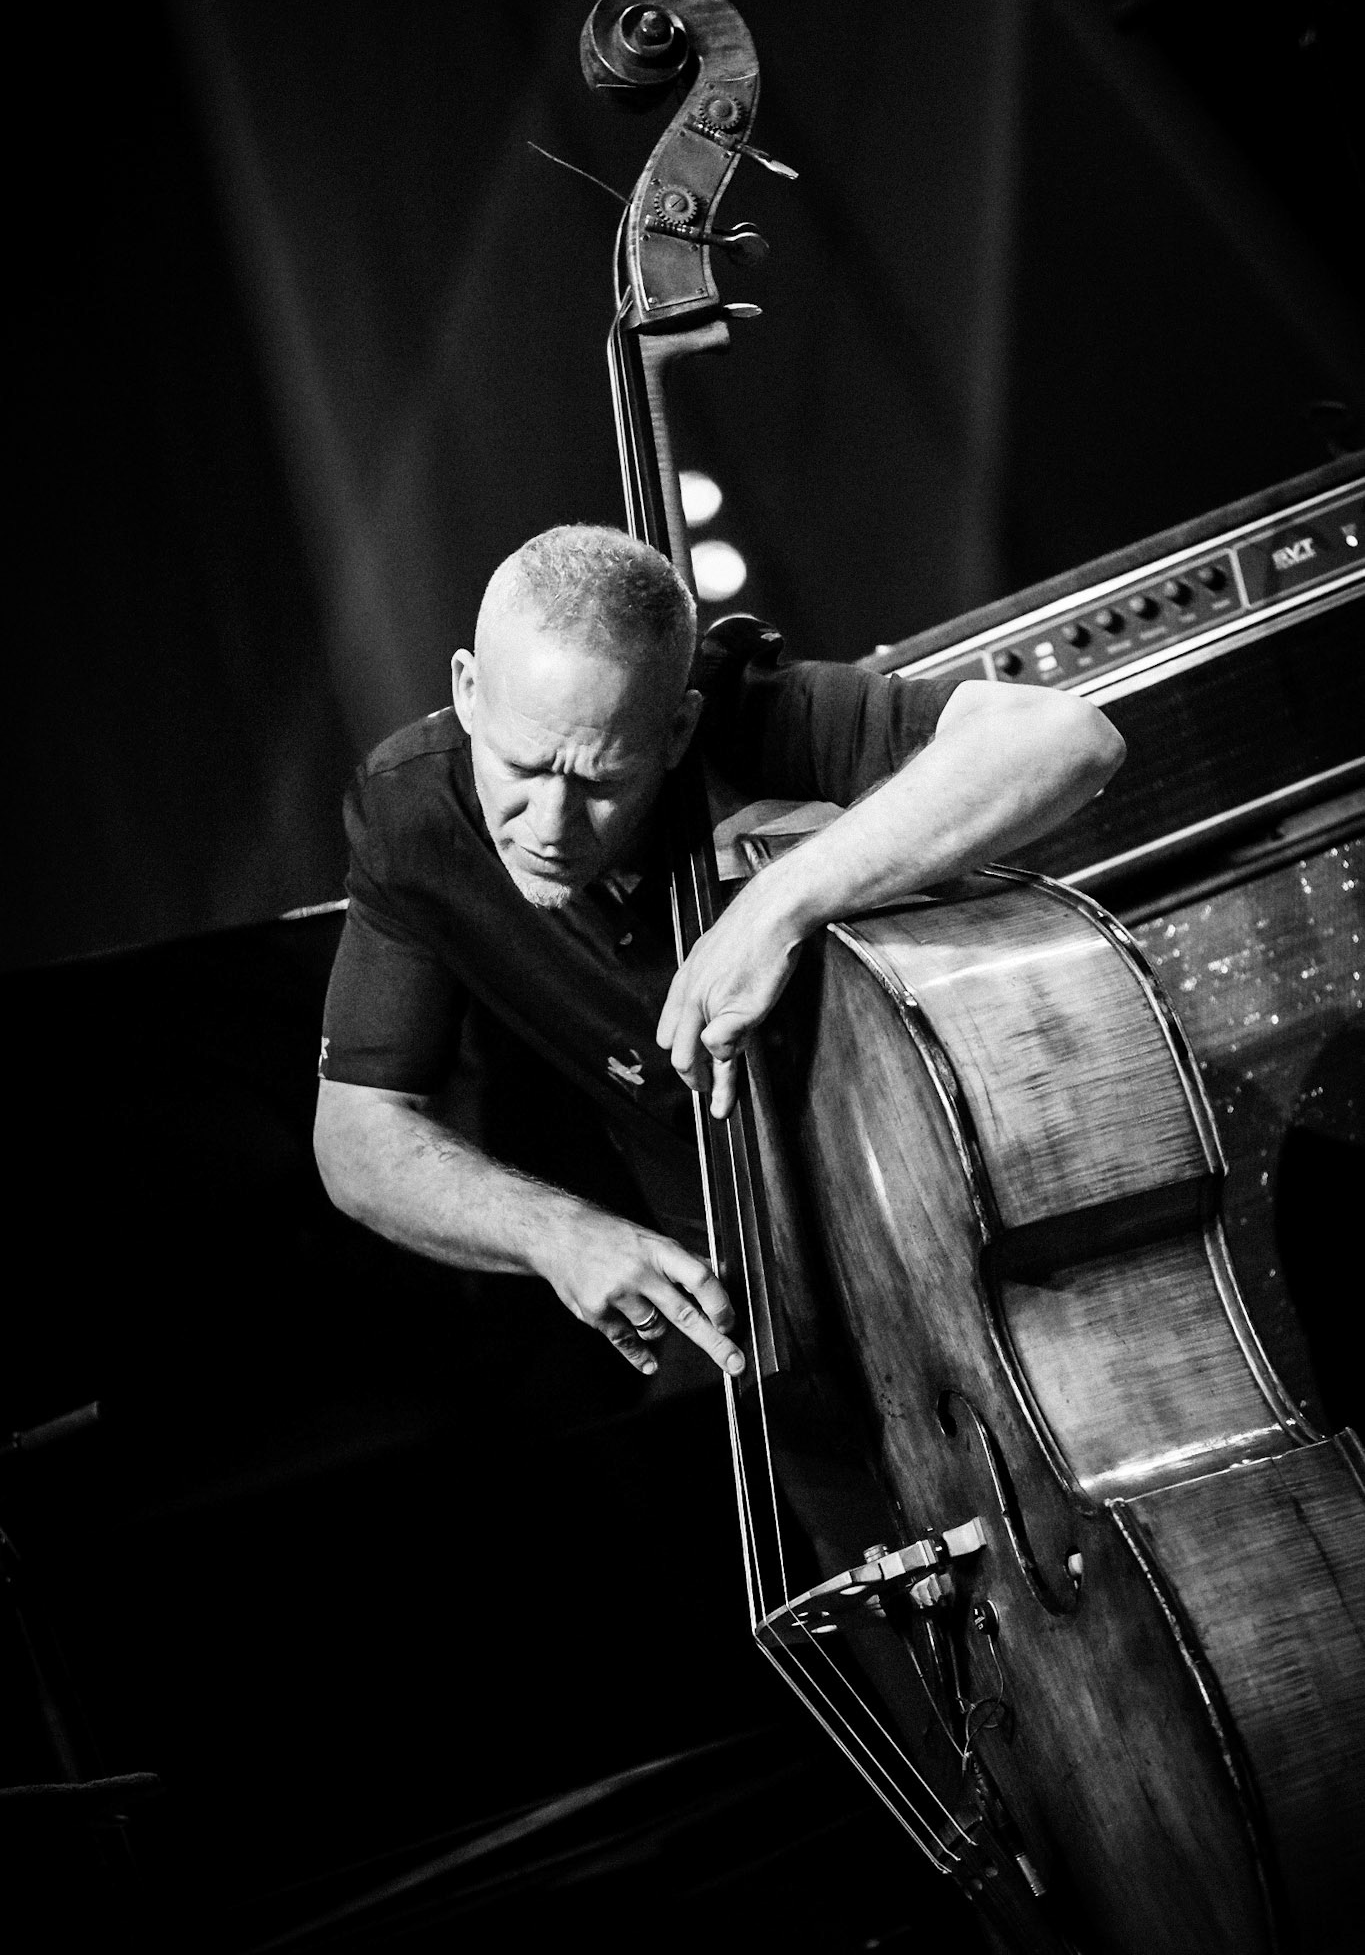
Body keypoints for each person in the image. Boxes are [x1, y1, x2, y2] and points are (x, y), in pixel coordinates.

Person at [313, 524, 1124, 1384]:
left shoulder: (745, 711)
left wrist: (775, 905)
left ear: (674, 732)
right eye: (521, 767)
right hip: (758, 1327)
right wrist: (555, 1235)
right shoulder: (409, 817)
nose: (549, 827)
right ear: (467, 690)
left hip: (963, 1261)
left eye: (600, 782)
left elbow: (1065, 739)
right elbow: (357, 1134)